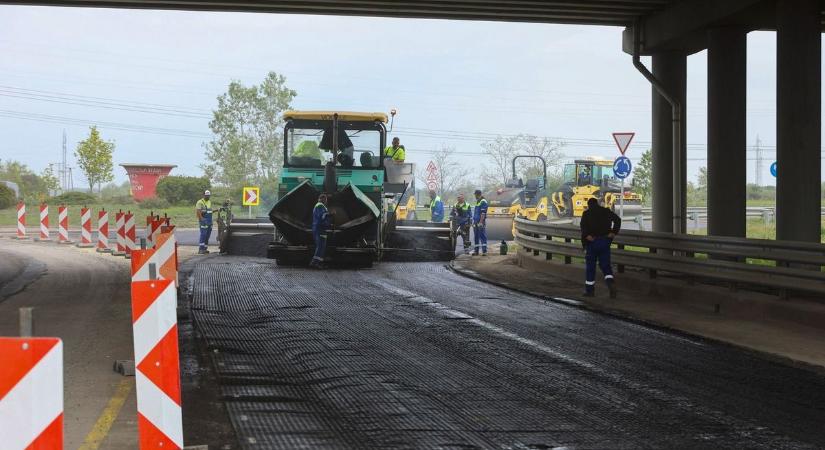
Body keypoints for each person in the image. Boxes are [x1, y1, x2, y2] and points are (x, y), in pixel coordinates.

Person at [580, 197, 621, 298]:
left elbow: (583, 229)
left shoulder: (586, 214)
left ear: (589, 205)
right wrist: (613, 232)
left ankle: (590, 291)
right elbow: (617, 220)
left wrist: (585, 242)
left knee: (590, 268)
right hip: (604, 241)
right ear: (597, 203)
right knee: (605, 266)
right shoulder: (606, 211)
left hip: (592, 242)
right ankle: (610, 283)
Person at [310, 193, 332, 268]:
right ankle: (315, 262)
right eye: (325, 199)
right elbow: (322, 216)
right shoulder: (320, 206)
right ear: (322, 199)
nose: (326, 201)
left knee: (321, 246)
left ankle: (318, 262)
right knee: (321, 246)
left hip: (319, 228)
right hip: (320, 229)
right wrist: (330, 214)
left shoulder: (319, 206)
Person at [195, 190, 213, 254]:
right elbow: (198, 212)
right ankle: (201, 249)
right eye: (206, 195)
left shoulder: (209, 202)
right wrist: (202, 219)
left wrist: (217, 210)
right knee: (203, 235)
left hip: (209, 221)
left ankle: (205, 249)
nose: (208, 196)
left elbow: (210, 211)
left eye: (208, 195)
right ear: (203, 195)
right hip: (204, 221)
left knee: (208, 235)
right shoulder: (200, 202)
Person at [472, 189, 488, 256]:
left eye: (475, 194)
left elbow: (483, 213)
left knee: (482, 236)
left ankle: (484, 251)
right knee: (476, 236)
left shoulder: (483, 201)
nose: (475, 196)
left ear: (477, 194)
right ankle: (476, 251)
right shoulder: (478, 201)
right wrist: (474, 222)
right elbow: (476, 213)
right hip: (476, 222)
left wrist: (481, 222)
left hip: (480, 222)